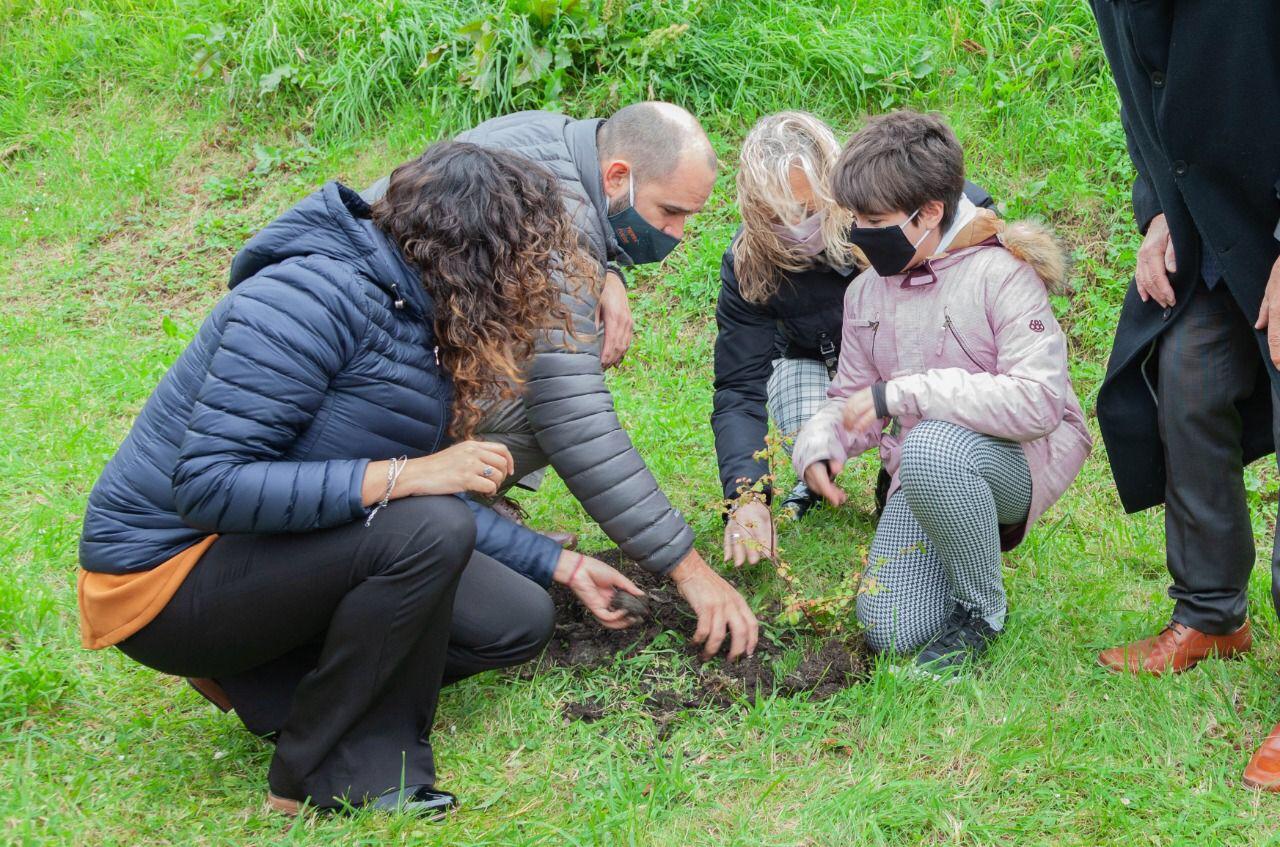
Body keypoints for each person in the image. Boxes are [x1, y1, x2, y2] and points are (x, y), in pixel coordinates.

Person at [76, 142, 649, 818]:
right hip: (165, 581)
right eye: (523, 262)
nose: (531, 284)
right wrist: (408, 474)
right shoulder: (305, 299)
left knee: (515, 620)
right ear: (474, 252)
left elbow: (409, 487)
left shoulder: (421, 314)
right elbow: (208, 485)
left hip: (267, 550)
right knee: (431, 525)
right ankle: (328, 768)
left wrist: (561, 563)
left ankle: (274, 680)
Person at [364, 103, 760, 661]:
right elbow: (575, 420)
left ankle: (472, 510)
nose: (677, 234)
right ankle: (445, 513)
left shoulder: (551, 138)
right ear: (618, 176)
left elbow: (574, 234)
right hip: (368, 410)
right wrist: (686, 568)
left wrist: (608, 270)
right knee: (545, 398)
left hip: (392, 363)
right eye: (670, 212)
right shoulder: (559, 229)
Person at [792, 111, 1092, 674]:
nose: (859, 233)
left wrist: (904, 394)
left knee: (930, 443)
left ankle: (982, 612)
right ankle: (952, 556)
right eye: (854, 218)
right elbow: (853, 395)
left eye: (874, 220)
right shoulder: (864, 294)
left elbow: (1040, 402)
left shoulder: (1001, 274)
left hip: (1013, 465)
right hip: (926, 468)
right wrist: (820, 442)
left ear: (929, 211)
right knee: (889, 628)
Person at [1087, 1, 1280, 789]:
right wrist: (1161, 207)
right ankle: (1211, 612)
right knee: (1188, 373)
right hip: (1217, 214)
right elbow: (1143, 93)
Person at [711, 112, 994, 566]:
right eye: (775, 214)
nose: (795, 225)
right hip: (816, 362)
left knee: (921, 390)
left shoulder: (882, 207)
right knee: (815, 438)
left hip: (905, 357)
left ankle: (904, 474)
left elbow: (965, 206)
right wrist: (746, 495)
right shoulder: (748, 264)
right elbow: (739, 387)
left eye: (807, 210)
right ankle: (817, 480)